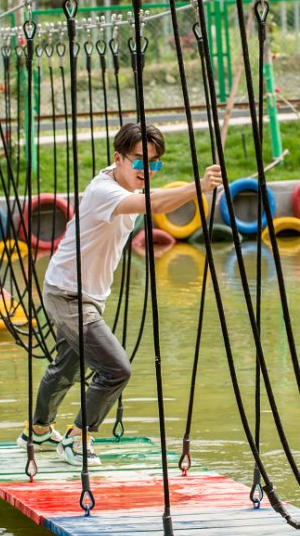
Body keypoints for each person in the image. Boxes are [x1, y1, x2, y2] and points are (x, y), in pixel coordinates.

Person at [18, 123, 222, 466]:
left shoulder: (122, 184)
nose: (148, 171)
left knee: (66, 367)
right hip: (67, 293)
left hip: (82, 293)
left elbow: (150, 199)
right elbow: (155, 204)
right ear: (118, 158)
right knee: (116, 369)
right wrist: (200, 187)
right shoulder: (104, 192)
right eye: (140, 162)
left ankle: (37, 430)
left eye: (154, 164)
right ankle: (77, 437)